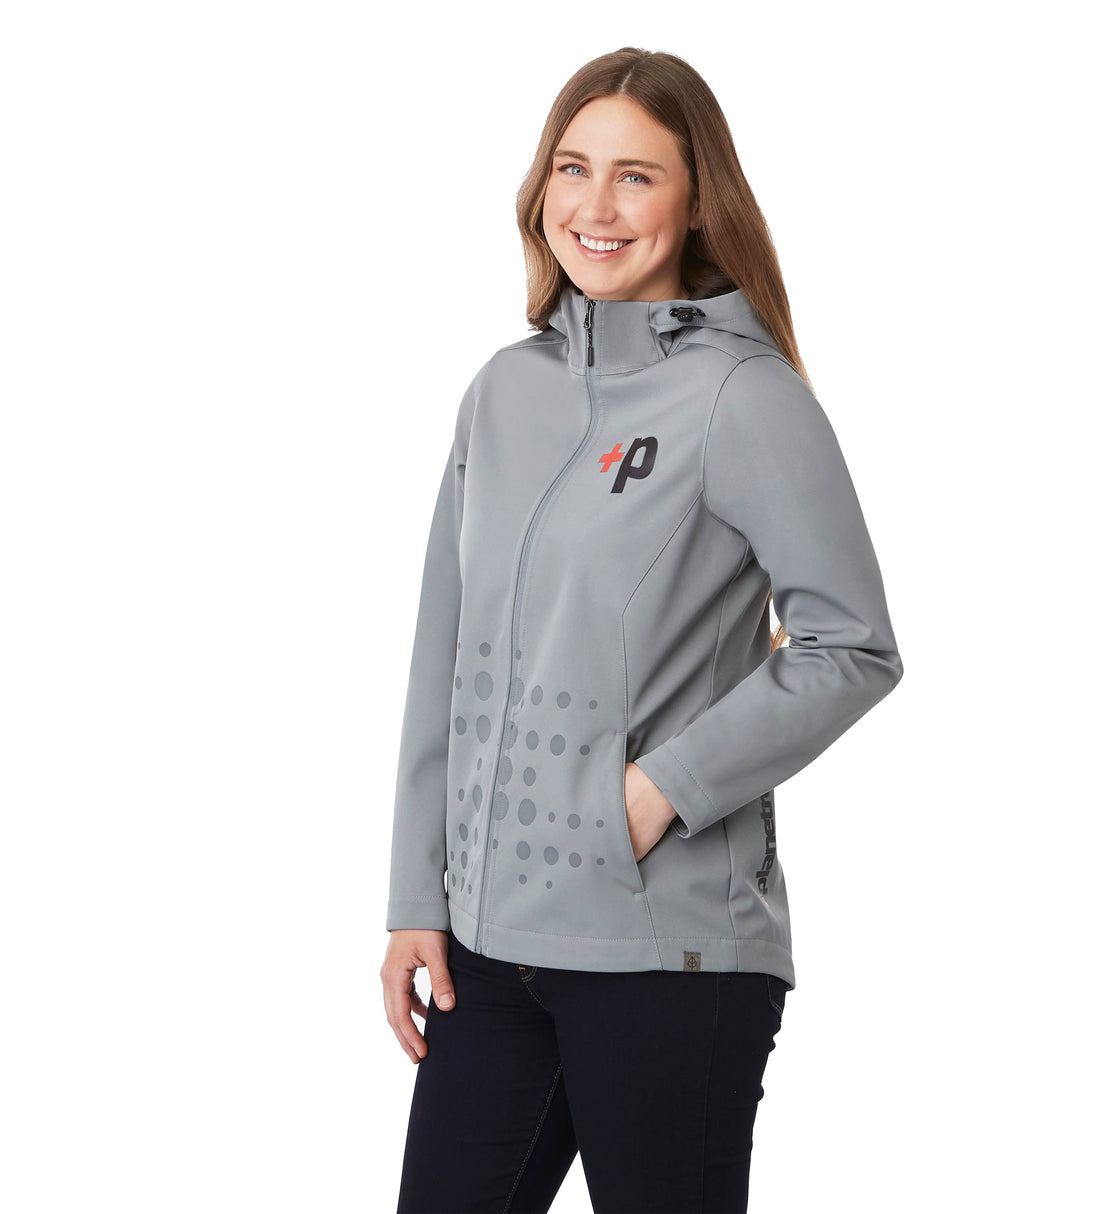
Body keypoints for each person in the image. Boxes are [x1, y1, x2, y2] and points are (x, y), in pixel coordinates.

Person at [381, 46, 904, 1214]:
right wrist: (416, 892)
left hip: (666, 953)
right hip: (489, 949)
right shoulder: (501, 392)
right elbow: (442, 652)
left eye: (634, 175)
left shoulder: (740, 395)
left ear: (695, 199)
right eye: (573, 168)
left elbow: (850, 643)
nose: (595, 206)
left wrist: (658, 789)